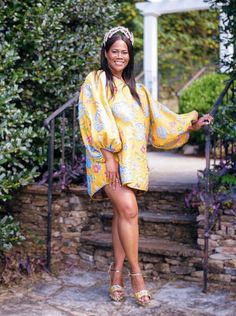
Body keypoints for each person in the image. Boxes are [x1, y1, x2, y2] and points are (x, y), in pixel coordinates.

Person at [78, 26, 213, 306]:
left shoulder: (137, 90)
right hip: (106, 161)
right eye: (114, 51)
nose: (119, 56)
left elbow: (160, 121)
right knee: (129, 210)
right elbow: (95, 120)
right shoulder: (97, 81)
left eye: (124, 52)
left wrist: (191, 125)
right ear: (105, 53)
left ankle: (115, 276)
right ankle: (136, 275)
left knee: (120, 215)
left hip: (132, 164)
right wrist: (110, 157)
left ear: (130, 56)